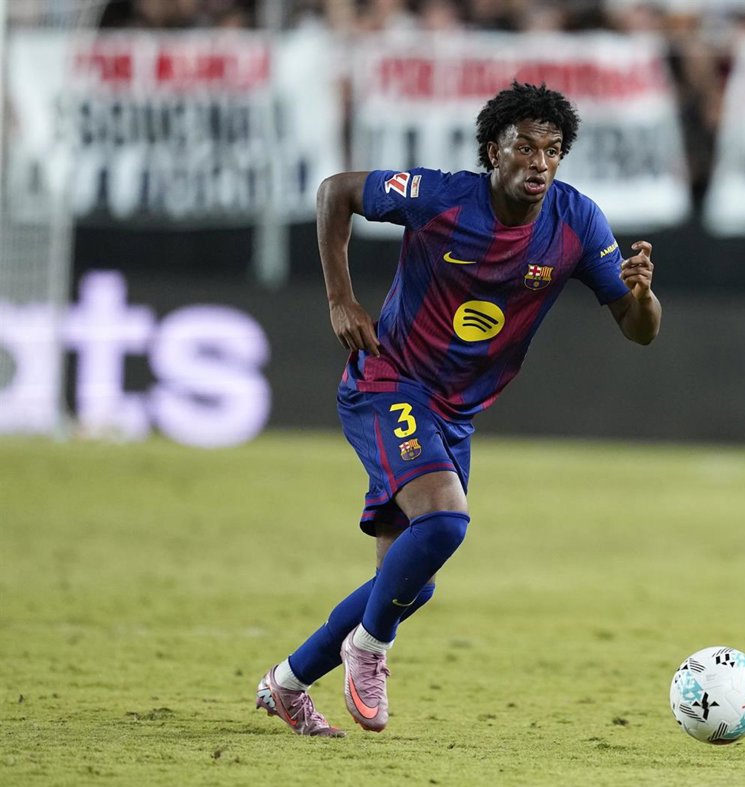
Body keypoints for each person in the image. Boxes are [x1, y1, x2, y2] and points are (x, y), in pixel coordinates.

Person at [254, 81, 662, 737]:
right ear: (492, 151)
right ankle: (368, 650)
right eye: (524, 147)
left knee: (409, 582)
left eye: (552, 150)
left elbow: (638, 330)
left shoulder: (577, 222)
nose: (539, 162)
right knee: (444, 521)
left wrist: (641, 297)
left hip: (454, 414)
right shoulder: (439, 196)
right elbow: (336, 191)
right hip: (389, 381)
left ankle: (287, 684)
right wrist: (340, 298)